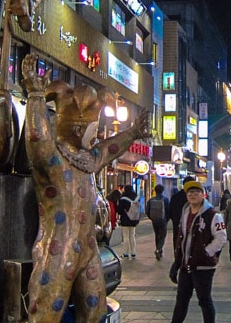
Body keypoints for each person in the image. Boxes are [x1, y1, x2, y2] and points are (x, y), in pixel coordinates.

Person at [21, 54, 150, 323]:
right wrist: (34, 96)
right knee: (47, 312)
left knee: (95, 309)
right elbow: (36, 138)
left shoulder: (88, 159)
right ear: (79, 129)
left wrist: (134, 133)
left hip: (88, 248)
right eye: (95, 127)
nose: (99, 134)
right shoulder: (54, 160)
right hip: (58, 248)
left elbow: (110, 149)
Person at [169, 180, 227, 323]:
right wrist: (177, 262)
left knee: (204, 300)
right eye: (190, 192)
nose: (193, 195)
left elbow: (221, 238)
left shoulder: (213, 215)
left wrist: (206, 252)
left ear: (203, 195)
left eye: (196, 192)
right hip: (185, 265)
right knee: (181, 300)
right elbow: (182, 239)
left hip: (203, 266)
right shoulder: (185, 213)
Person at [170, 175, 196, 252]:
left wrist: (175, 221)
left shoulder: (175, 197)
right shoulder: (195, 198)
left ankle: (178, 260)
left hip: (177, 226)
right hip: (191, 227)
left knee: (178, 245)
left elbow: (170, 212)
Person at [146, 184, 170, 260]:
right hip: (163, 220)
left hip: (154, 220)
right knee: (163, 236)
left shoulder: (151, 200)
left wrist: (152, 218)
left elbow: (147, 211)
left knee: (157, 235)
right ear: (162, 191)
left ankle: (158, 250)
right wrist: (167, 218)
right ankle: (159, 249)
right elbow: (168, 210)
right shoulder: (165, 199)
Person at [118, 184, 140, 258]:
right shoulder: (136, 197)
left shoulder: (123, 198)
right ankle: (133, 252)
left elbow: (120, 210)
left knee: (126, 236)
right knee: (132, 235)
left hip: (125, 219)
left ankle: (126, 253)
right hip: (134, 219)